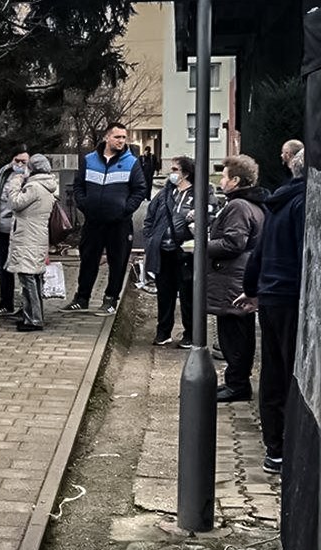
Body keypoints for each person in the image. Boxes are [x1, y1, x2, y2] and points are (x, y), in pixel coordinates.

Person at [235, 150, 306, 475]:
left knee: (273, 372)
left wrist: (252, 290)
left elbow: (260, 252)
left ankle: (274, 448)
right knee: (292, 373)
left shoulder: (278, 204)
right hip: (292, 297)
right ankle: (288, 448)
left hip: (272, 296)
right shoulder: (304, 203)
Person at [63, 122, 148, 316]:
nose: (121, 141)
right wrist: (84, 205)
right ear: (107, 137)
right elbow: (78, 185)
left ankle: (110, 300)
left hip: (119, 223)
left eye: (124, 137)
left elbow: (140, 189)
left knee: (117, 262)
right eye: (117, 137)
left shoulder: (131, 162)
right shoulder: (89, 160)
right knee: (88, 260)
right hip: (93, 221)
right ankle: (82, 298)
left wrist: (125, 210)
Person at [207, 154, 266, 401]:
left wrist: (203, 245)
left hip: (233, 278)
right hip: (237, 276)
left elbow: (234, 242)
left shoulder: (238, 206)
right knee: (234, 332)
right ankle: (234, 381)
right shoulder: (249, 204)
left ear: (236, 180)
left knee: (234, 334)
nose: (221, 180)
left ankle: (238, 385)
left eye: (224, 176)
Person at [143, 156, 203, 347]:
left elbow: (209, 215)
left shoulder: (199, 193)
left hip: (185, 251)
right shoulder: (165, 194)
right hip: (163, 250)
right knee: (164, 293)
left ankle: (190, 333)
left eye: (175, 169)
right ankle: (163, 331)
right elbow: (150, 217)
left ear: (186, 172)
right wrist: (150, 237)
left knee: (187, 295)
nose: (171, 173)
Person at [4, 154, 58, 331]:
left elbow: (15, 203)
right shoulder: (47, 186)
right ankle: (32, 315)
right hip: (37, 236)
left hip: (28, 237)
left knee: (28, 277)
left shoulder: (34, 186)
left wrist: (15, 181)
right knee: (34, 277)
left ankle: (34, 319)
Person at [0, 149, 29, 317]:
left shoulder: (31, 178)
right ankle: (5, 302)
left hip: (21, 229)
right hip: (2, 228)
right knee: (3, 267)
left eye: (23, 162)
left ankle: (27, 305)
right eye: (17, 160)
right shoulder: (3, 174)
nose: (19, 165)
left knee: (24, 268)